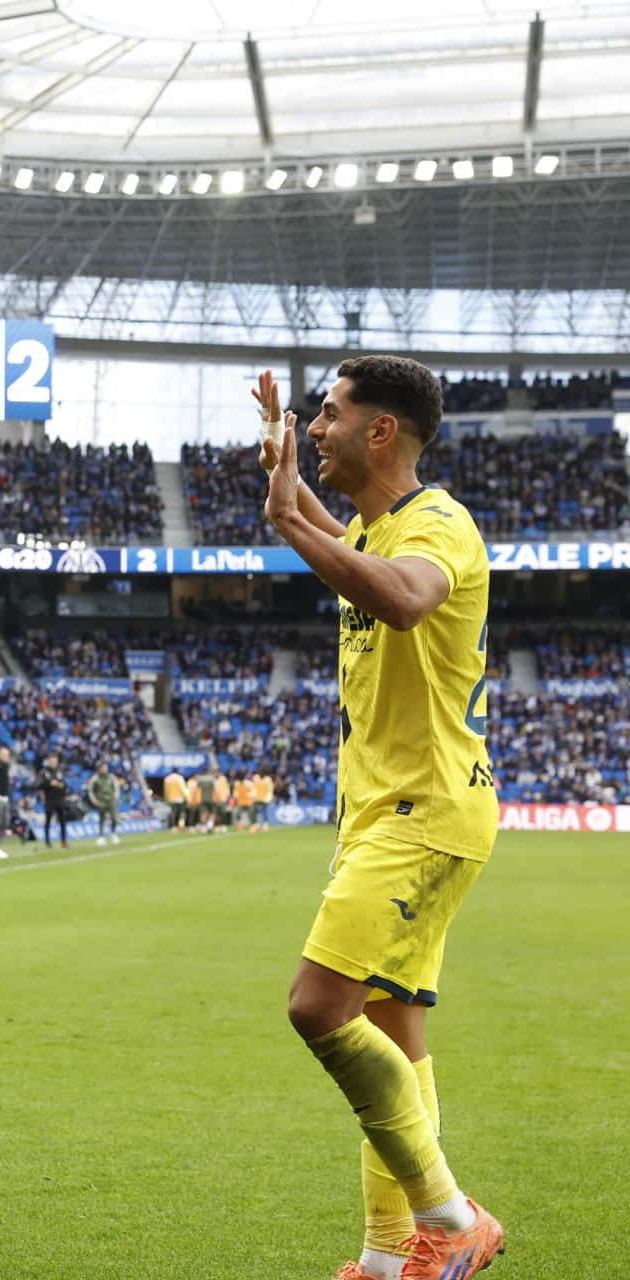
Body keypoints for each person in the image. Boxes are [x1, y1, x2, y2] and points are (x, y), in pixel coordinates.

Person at [256, 359, 504, 1279]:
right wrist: (286, 486)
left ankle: (451, 1216)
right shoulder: (380, 526)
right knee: (395, 1029)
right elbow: (351, 553)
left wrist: (288, 518)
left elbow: (400, 598)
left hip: (423, 810)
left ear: (382, 432)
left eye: (329, 415)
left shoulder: (437, 523)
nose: (317, 428)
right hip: (386, 811)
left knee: (319, 1007)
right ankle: (390, 1257)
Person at [37, 752, 70, 848]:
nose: (53, 763)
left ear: (57, 762)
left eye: (55, 761)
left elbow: (65, 785)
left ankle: (63, 841)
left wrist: (58, 784)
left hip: (60, 799)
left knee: (62, 821)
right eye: (51, 761)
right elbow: (39, 785)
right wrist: (49, 784)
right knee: (48, 821)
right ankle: (48, 842)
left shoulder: (60, 771)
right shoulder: (43, 772)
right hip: (49, 800)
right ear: (48, 761)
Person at [85, 761, 121, 846]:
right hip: (101, 802)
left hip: (111, 801)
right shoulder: (95, 778)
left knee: (114, 818)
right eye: (103, 767)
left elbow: (116, 788)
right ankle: (101, 837)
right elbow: (91, 791)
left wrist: (115, 798)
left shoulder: (111, 777)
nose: (105, 769)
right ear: (100, 768)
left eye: (106, 767)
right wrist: (94, 801)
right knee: (102, 819)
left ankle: (113, 833)